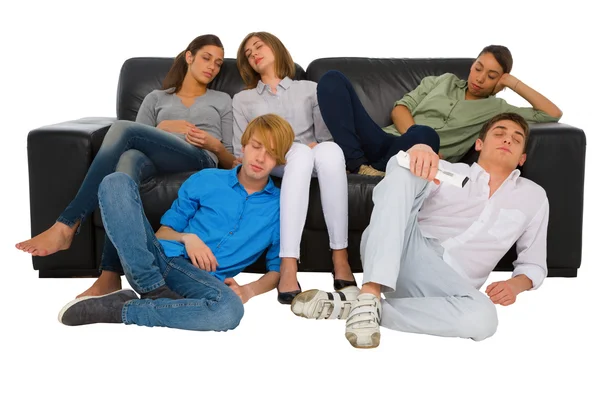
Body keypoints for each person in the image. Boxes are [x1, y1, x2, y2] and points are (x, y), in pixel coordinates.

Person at [291, 112, 549, 349]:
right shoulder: (450, 170)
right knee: (409, 166)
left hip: (450, 288)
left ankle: (360, 307)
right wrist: (420, 150)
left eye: (516, 139)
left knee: (484, 319)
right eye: (499, 133)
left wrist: (516, 285)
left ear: (522, 158)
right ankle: (370, 291)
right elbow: (399, 179)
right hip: (405, 252)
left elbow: (534, 263)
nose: (507, 140)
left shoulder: (534, 198)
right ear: (479, 144)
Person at [16, 34, 236, 298]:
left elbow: (230, 160)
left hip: (199, 156)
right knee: (124, 167)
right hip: (154, 159)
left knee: (123, 129)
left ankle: (67, 224)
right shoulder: (156, 98)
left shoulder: (222, 100)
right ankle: (109, 276)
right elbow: (136, 139)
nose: (212, 66)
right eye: (206, 58)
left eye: (219, 63)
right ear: (189, 57)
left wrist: (213, 143)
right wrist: (162, 128)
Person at [57, 114, 295, 331]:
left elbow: (277, 270)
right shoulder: (207, 179)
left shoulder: (280, 208)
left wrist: (248, 290)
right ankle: (152, 287)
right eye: (256, 146)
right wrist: (188, 238)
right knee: (115, 182)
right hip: (158, 260)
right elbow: (162, 234)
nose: (261, 158)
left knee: (230, 310)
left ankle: (124, 308)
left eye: (272, 153)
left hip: (200, 281)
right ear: (244, 145)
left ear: (279, 161)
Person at [233, 32, 369, 304]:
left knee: (330, 151)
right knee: (299, 154)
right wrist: (285, 149)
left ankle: (340, 257)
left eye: (258, 46)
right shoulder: (243, 100)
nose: (254, 53)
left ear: (275, 48)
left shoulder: (309, 88)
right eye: (248, 53)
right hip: (277, 160)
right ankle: (288, 265)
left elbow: (323, 138)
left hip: (313, 154)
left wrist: (314, 147)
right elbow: (241, 151)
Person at [317, 45, 562, 176]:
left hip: (422, 156)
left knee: (428, 137)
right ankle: (359, 164)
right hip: (383, 140)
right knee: (332, 79)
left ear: (500, 81)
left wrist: (512, 82)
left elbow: (552, 114)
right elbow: (400, 109)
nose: (479, 78)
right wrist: (414, 137)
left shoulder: (498, 110)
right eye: (478, 68)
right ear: (472, 65)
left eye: (492, 76)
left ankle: (368, 164)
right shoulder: (441, 81)